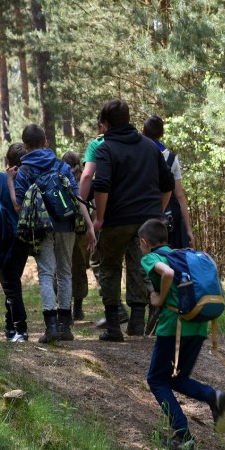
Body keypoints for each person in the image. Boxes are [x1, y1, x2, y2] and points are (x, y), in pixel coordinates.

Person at [139, 218, 225, 450]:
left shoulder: (152, 257)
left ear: (144, 242)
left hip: (173, 327)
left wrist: (159, 299)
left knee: (157, 380)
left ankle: (183, 436)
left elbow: (167, 273)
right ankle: (214, 396)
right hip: (198, 324)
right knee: (177, 378)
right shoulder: (182, 255)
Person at [92, 99, 175, 341]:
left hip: (116, 220)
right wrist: (156, 212)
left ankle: (114, 328)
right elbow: (168, 184)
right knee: (141, 268)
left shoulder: (105, 149)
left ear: (105, 124)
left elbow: (101, 185)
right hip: (147, 221)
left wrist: (100, 217)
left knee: (109, 267)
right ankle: (137, 324)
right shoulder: (150, 147)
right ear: (129, 120)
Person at [8, 124, 95, 343]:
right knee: (65, 272)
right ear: (46, 142)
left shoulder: (24, 171)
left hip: (41, 228)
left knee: (47, 273)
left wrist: (10, 181)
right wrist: (90, 226)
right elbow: (77, 197)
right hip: (67, 224)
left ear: (25, 146)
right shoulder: (61, 165)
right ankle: (65, 327)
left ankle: (51, 328)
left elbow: (19, 206)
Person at [79, 115, 129, 329]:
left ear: (102, 125)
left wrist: (80, 205)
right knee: (138, 262)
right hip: (136, 210)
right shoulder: (138, 142)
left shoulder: (98, 144)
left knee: (101, 261)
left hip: (106, 210)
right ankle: (140, 317)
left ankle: (115, 311)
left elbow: (88, 176)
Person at [0, 143, 30, 342]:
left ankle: (21, 329)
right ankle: (10, 326)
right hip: (24, 237)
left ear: (7, 161)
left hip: (3, 238)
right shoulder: (29, 179)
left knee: (10, 284)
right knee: (12, 281)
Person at [142, 115, 194, 249]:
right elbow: (179, 195)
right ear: (161, 134)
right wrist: (188, 229)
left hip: (143, 212)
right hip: (168, 216)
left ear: (143, 132)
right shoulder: (171, 158)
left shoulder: (138, 154)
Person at [62, 150, 91, 321]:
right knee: (79, 268)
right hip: (82, 230)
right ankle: (77, 308)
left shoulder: (62, 178)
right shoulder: (84, 180)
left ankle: (71, 307)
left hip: (68, 228)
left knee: (66, 268)